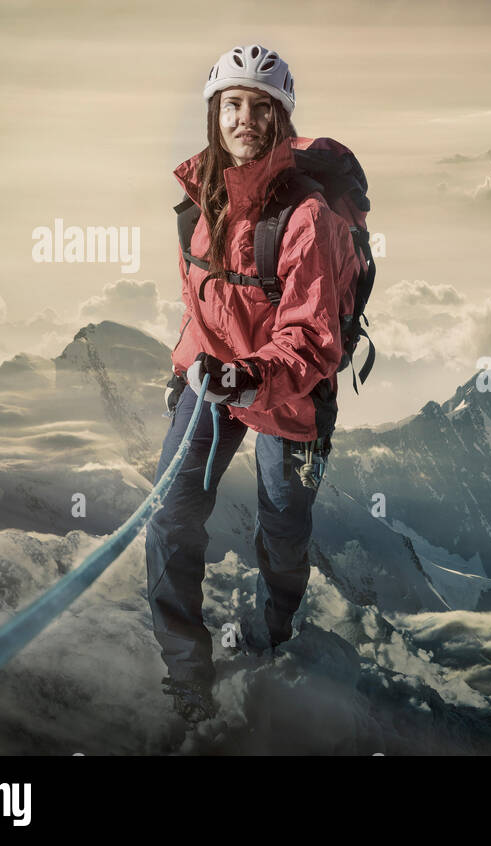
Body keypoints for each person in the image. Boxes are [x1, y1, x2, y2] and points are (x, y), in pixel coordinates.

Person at [145, 44, 359, 724]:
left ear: (281, 120)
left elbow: (314, 336)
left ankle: (273, 635)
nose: (244, 118)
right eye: (232, 105)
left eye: (260, 107)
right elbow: (205, 305)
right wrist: (192, 371)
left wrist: (249, 373)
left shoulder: (308, 219)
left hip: (287, 394)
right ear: (214, 115)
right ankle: (188, 676)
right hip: (213, 380)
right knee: (170, 520)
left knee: (283, 530)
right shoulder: (197, 201)